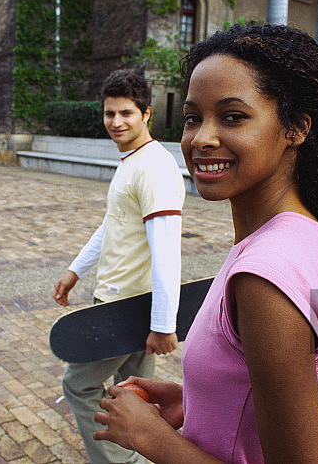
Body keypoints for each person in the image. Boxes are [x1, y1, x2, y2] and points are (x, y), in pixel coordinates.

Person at [93, 24, 318, 462]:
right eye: (193, 118)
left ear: (297, 128)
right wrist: (197, 402)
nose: (202, 138)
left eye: (233, 117)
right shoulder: (310, 236)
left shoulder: (266, 276)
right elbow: (296, 394)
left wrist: (149, 437)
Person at [52, 69, 185, 463]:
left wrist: (164, 323)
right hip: (128, 303)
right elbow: (114, 223)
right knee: (133, 392)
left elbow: (166, 250)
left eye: (126, 113)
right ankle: (142, 456)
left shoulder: (154, 168)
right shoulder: (132, 161)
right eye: (109, 114)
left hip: (125, 307)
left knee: (78, 386)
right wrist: (75, 270)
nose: (116, 122)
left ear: (146, 113)